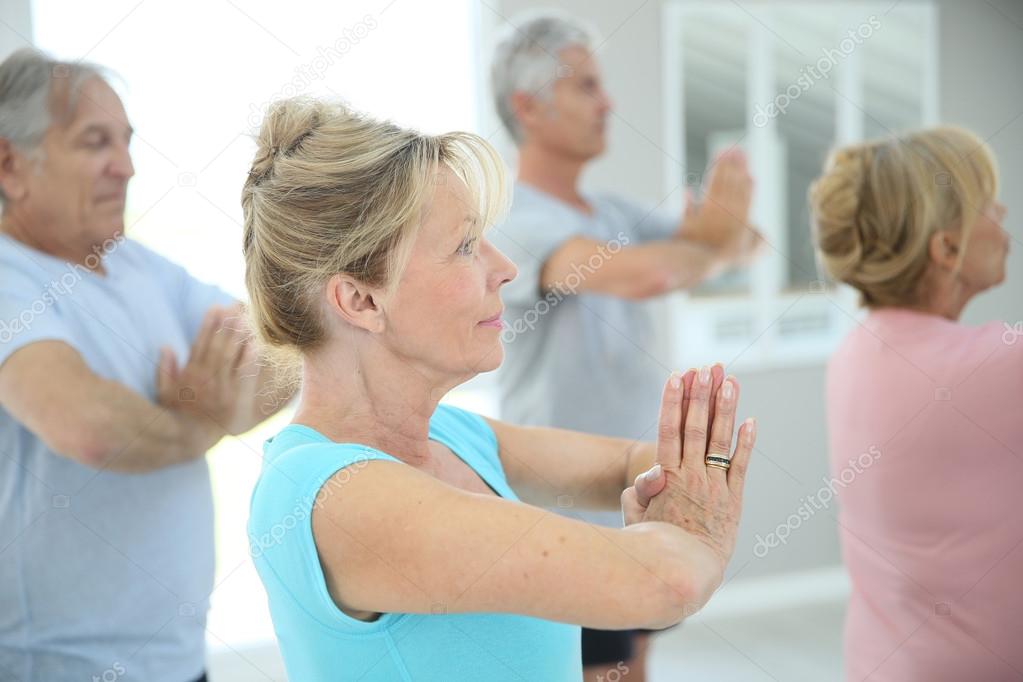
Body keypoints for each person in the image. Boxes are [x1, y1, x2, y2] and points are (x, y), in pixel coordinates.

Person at [243, 97, 758, 681]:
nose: (505, 268)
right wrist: (697, 525)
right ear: (361, 300)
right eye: (465, 246)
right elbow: (666, 584)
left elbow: (631, 462)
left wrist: (673, 485)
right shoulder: (332, 497)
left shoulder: (452, 434)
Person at [0, 49, 293, 681]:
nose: (126, 167)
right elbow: (90, 427)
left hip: (180, 663)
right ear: (10, 164)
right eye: (94, 142)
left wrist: (205, 407)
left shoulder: (135, 264)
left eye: (127, 142)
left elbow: (287, 350)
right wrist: (200, 421)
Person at [487, 12, 763, 678]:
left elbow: (744, 243)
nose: (608, 102)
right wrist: (709, 244)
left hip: (636, 496)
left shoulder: (611, 212)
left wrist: (717, 239)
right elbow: (655, 271)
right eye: (586, 86)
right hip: (564, 511)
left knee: (632, 663)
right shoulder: (515, 217)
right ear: (528, 106)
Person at [811, 126, 1021, 680]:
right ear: (946, 247)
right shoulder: (995, 368)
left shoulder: (853, 353)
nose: (1003, 214)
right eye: (987, 205)